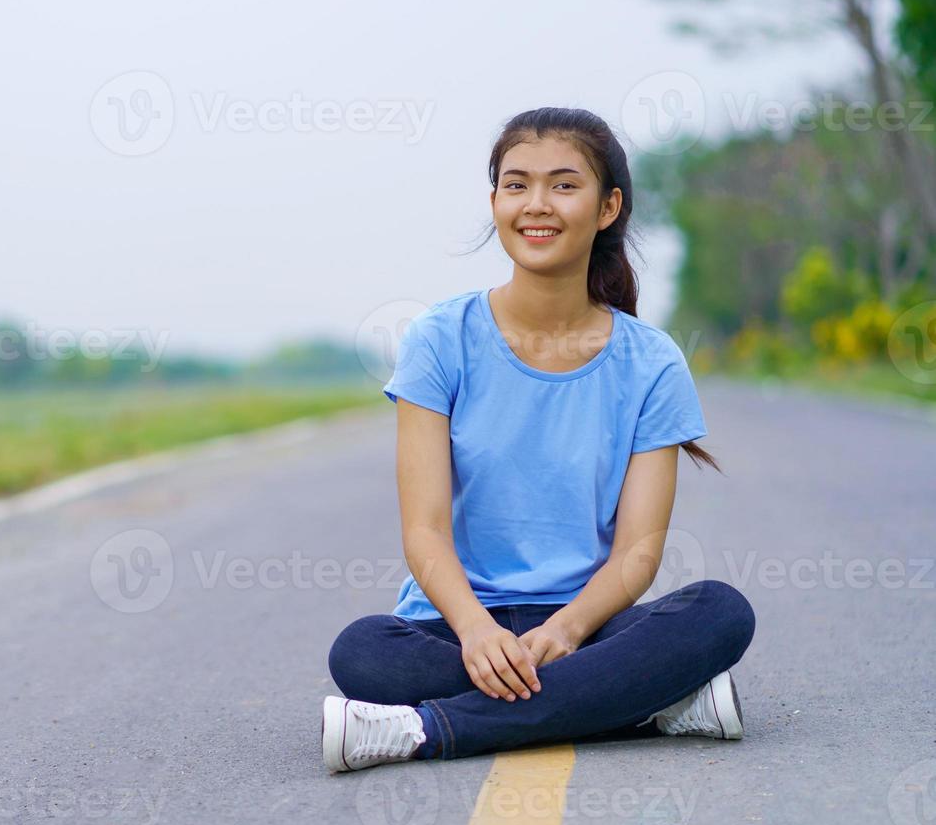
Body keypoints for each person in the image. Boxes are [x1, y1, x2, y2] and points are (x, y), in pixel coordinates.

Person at [321, 107, 756, 773]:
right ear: (495, 201)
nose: (537, 206)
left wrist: (565, 631)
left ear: (608, 207)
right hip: (456, 627)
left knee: (720, 613)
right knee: (362, 650)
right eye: (516, 185)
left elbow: (637, 556)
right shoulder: (441, 338)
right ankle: (646, 707)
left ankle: (425, 731)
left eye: (563, 184)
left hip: (588, 628)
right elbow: (426, 533)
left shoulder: (652, 361)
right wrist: (474, 630)